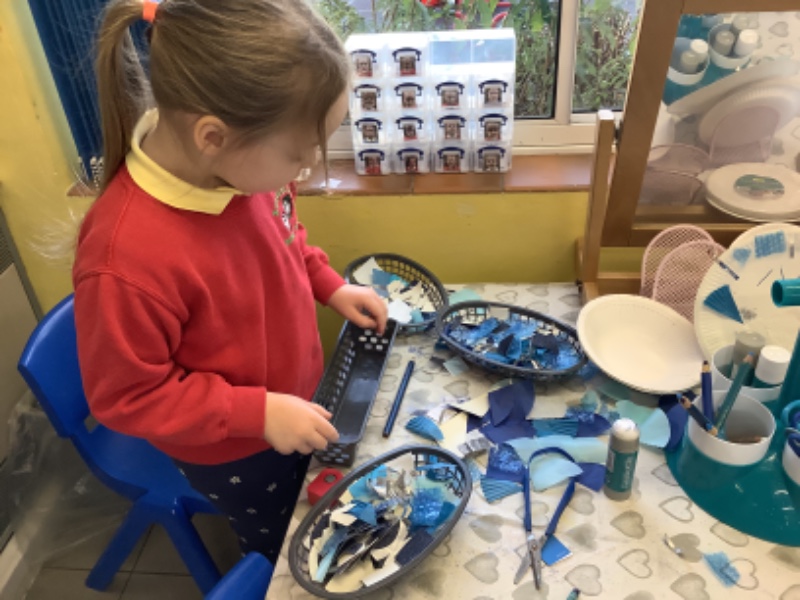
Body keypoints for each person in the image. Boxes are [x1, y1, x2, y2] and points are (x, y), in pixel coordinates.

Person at [74, 0, 388, 566]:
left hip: (290, 404)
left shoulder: (238, 170)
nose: (305, 171)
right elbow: (127, 396)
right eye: (299, 156)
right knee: (284, 546)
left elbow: (284, 236)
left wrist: (328, 284)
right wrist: (258, 414)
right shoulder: (125, 258)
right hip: (235, 451)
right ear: (213, 136)